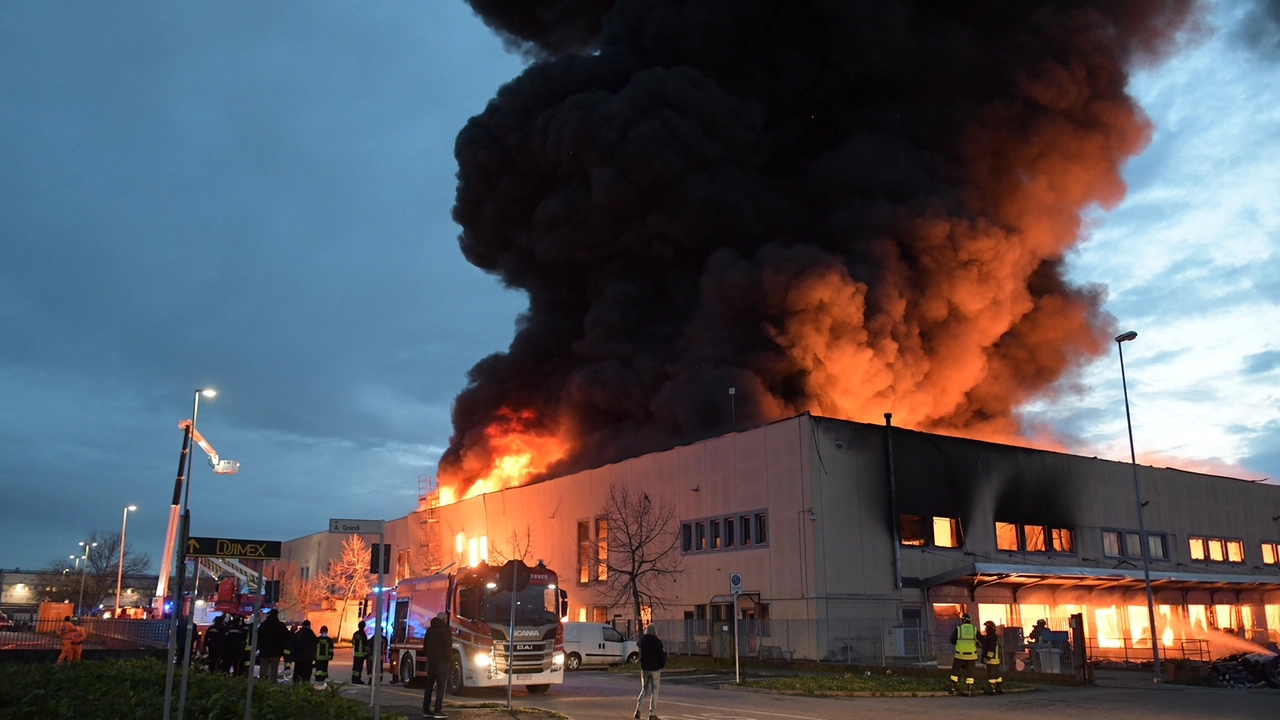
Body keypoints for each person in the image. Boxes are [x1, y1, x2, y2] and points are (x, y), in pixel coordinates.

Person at [422, 613, 451, 719]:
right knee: (441, 686)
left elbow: (425, 646)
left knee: (429, 686)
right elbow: (447, 646)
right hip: (442, 662)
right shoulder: (445, 630)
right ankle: (438, 711)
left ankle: (426, 710)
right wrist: (449, 660)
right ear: (444, 619)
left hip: (432, 662)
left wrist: (429, 657)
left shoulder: (429, 630)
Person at [635, 624, 666, 720]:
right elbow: (662, 656)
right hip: (655, 669)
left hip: (644, 668)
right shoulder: (658, 642)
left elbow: (638, 643)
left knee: (644, 689)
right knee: (655, 691)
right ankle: (652, 714)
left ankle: (638, 710)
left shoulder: (643, 641)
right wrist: (661, 665)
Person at [948, 613, 978, 696]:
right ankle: (970, 688)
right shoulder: (974, 629)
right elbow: (981, 640)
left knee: (956, 670)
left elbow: (952, 640)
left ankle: (952, 686)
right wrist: (976, 645)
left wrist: (959, 643)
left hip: (959, 655)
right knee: (970, 672)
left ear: (963, 620)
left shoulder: (959, 629)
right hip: (971, 656)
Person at [257, 610, 290, 682]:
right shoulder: (280, 625)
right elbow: (287, 636)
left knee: (263, 668)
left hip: (264, 651)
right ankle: (272, 684)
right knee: (274, 669)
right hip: (276, 651)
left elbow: (258, 636)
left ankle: (261, 683)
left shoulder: (263, 625)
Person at [289, 620, 319, 684]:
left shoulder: (298, 633)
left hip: (298, 658)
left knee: (297, 673)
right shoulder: (310, 633)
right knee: (306, 674)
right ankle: (305, 687)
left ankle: (295, 686)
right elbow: (316, 642)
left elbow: (292, 643)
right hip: (308, 658)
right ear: (309, 626)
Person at [981, 621, 1004, 695]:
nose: (985, 629)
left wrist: (988, 658)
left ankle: (992, 689)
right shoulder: (993, 636)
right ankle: (1000, 688)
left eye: (986, 627)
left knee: (991, 675)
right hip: (996, 659)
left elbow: (991, 648)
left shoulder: (991, 637)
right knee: (997, 675)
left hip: (992, 660)